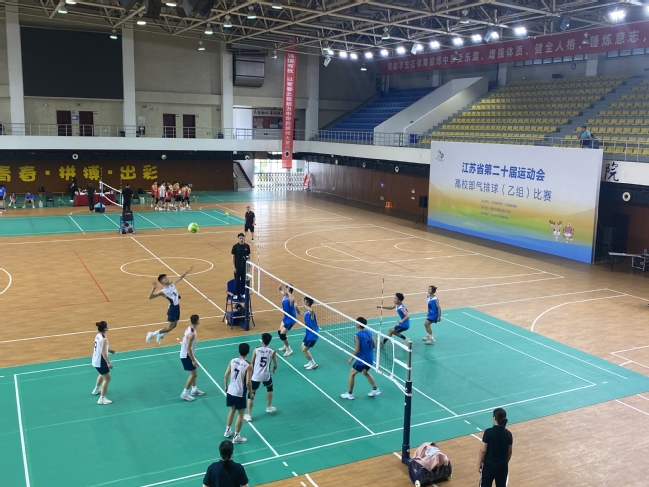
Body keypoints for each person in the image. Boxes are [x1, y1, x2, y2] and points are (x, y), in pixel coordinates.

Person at [145, 267, 193, 345]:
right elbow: (150, 297)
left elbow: (181, 277)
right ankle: (151, 334)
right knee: (169, 327)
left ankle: (161, 335)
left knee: (174, 326)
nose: (166, 279)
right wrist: (153, 289)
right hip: (172, 309)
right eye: (164, 278)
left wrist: (187, 271)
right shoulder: (162, 292)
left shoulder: (172, 284)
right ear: (161, 281)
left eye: (166, 277)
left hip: (177, 307)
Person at [341, 317, 380, 400]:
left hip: (362, 360)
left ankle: (350, 394)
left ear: (359, 324)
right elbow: (373, 345)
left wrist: (351, 358)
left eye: (356, 322)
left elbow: (357, 349)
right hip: (370, 358)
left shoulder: (357, 335)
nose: (355, 323)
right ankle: (375, 389)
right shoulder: (369, 332)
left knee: (351, 374)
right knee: (365, 372)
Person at [245, 332, 277, 422]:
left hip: (256, 376)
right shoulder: (272, 351)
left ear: (262, 340)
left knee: (251, 394)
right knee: (270, 388)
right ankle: (268, 407)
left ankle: (249, 415)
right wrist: (274, 370)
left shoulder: (256, 349)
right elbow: (275, 365)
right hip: (266, 375)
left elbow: (251, 363)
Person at [224, 343, 252, 444]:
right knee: (241, 414)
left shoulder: (232, 360)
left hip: (230, 390)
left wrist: (226, 386)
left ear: (238, 351)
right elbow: (248, 382)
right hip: (239, 393)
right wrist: (251, 392)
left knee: (232, 410)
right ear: (248, 352)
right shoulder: (248, 365)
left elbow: (226, 375)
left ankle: (227, 431)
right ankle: (237, 436)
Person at [478, 408, 513, 487]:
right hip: (502, 465)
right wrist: (505, 462)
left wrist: (479, 463)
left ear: (494, 418)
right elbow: (510, 451)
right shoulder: (508, 434)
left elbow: (483, 450)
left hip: (489, 465)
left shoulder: (488, 432)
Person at [179, 314, 205, 402]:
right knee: (194, 374)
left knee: (194, 372)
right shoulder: (192, 334)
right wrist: (193, 360)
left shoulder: (190, 328)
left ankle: (194, 389)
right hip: (186, 355)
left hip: (188, 354)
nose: (199, 320)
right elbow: (188, 348)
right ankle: (185, 393)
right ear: (197, 321)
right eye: (199, 319)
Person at [92, 321, 115, 405]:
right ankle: (102, 398)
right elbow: (103, 352)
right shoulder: (104, 338)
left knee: (102, 374)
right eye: (107, 326)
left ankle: (96, 389)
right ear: (105, 328)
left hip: (95, 360)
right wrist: (108, 363)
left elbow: (100, 347)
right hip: (100, 361)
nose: (108, 326)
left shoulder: (98, 335)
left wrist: (109, 350)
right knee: (107, 378)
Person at [277, 283, 300, 357]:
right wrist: (280, 287)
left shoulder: (290, 299)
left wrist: (288, 292)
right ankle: (285, 346)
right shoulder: (285, 295)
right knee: (279, 332)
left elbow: (293, 299)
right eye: (286, 287)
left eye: (287, 288)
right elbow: (280, 290)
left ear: (289, 290)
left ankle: (289, 349)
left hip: (291, 319)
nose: (285, 288)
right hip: (286, 317)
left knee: (282, 335)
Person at [301, 296, 319, 370]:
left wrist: (304, 305)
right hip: (308, 333)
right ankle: (310, 362)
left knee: (304, 349)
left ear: (308, 303)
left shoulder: (312, 313)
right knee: (302, 347)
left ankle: (314, 364)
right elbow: (300, 313)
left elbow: (311, 311)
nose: (303, 302)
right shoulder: (306, 311)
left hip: (312, 334)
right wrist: (296, 307)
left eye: (305, 301)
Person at [231, 233, 251, 299]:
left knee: (243, 281)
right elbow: (233, 257)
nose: (241, 239)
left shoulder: (247, 246)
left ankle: (243, 293)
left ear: (244, 238)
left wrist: (248, 265)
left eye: (242, 238)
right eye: (240, 238)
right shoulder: (235, 247)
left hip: (244, 267)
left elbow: (248, 256)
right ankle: (236, 294)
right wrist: (234, 267)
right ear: (238, 239)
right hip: (237, 267)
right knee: (236, 281)